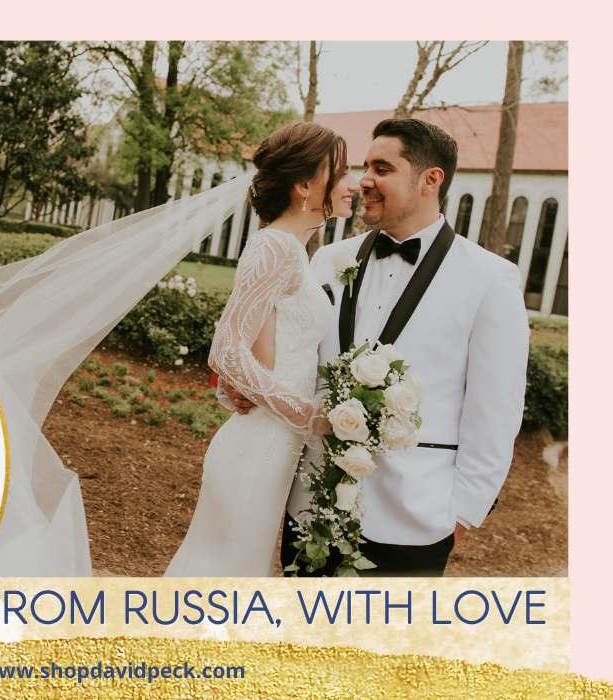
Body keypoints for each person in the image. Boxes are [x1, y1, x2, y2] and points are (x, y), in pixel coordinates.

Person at [227, 118, 529, 577]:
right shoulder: (328, 259)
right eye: (364, 166)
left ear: (431, 180)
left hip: (413, 519)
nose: (364, 179)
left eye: (382, 168)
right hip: (309, 509)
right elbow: (284, 353)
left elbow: (496, 411)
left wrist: (460, 516)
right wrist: (239, 388)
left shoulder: (490, 279)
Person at [163, 122, 359, 576]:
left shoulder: (294, 250)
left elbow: (258, 350)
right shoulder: (276, 247)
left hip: (274, 447)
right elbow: (226, 350)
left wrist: (235, 389)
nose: (353, 184)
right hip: (257, 449)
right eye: (341, 171)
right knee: (223, 578)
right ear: (305, 184)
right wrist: (309, 416)